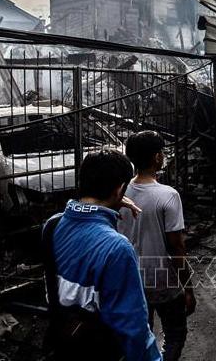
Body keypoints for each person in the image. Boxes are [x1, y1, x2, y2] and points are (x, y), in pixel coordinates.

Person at [42, 149, 161, 361]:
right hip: (102, 349)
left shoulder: (52, 226)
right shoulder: (117, 248)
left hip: (66, 343)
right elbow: (134, 330)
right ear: (120, 189)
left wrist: (112, 201)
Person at [118, 131, 195, 361]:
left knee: (143, 335)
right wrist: (188, 287)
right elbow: (176, 248)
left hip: (131, 279)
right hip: (162, 280)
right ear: (157, 158)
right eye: (161, 151)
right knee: (174, 336)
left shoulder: (119, 193)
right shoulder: (168, 195)